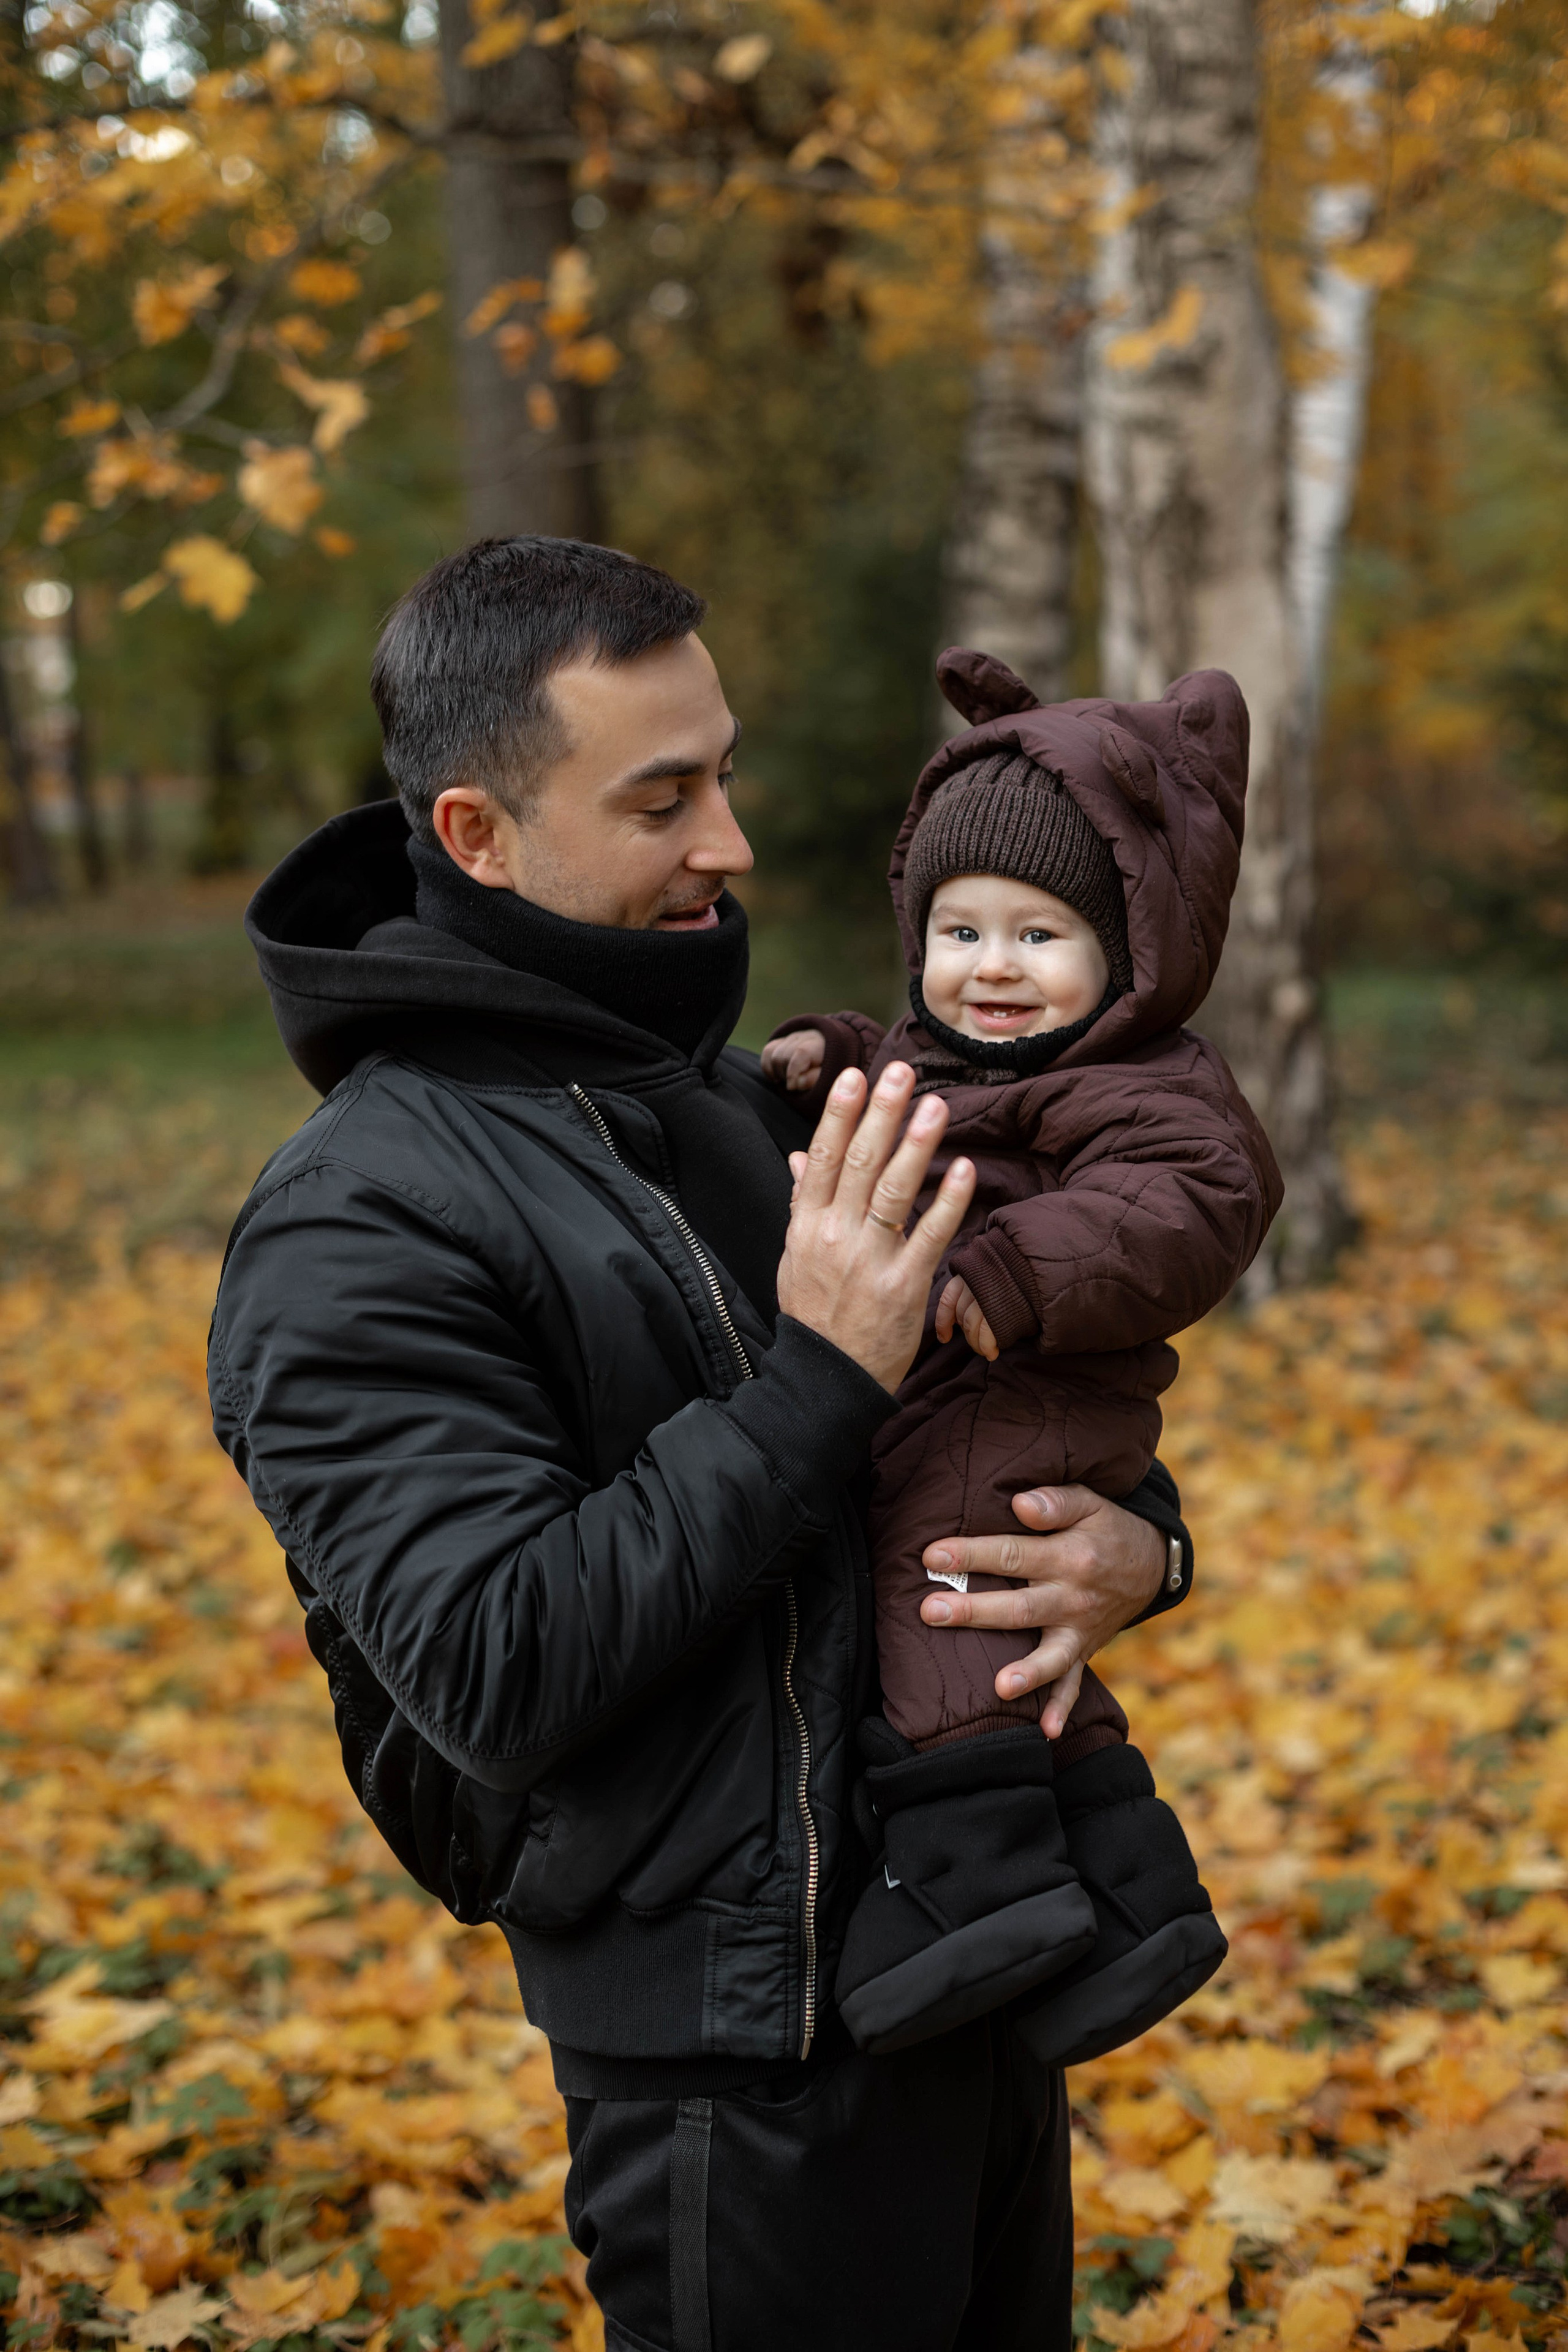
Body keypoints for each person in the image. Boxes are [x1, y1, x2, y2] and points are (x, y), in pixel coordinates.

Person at [211, 540, 1199, 2352]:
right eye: (662, 800)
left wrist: (1142, 1545)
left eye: (724, 775)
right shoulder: (359, 1219)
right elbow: (494, 1664)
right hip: (733, 2066)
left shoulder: (744, 1108)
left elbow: (972, 1410)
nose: (731, 842)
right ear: (479, 832)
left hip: (966, 1956)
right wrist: (821, 1372)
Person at [761, 646, 1283, 2065]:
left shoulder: (1144, 1091)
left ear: (1129, 952)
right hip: (962, 1393)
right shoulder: (955, 1054)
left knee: (939, 1592)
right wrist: (822, 1053)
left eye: (1038, 935)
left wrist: (1009, 1268)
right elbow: (894, 1071)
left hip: (1032, 1398)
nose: (990, 967)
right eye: (959, 929)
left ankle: (971, 1894)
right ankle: (1124, 1886)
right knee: (1007, 1634)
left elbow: (1183, 1207)